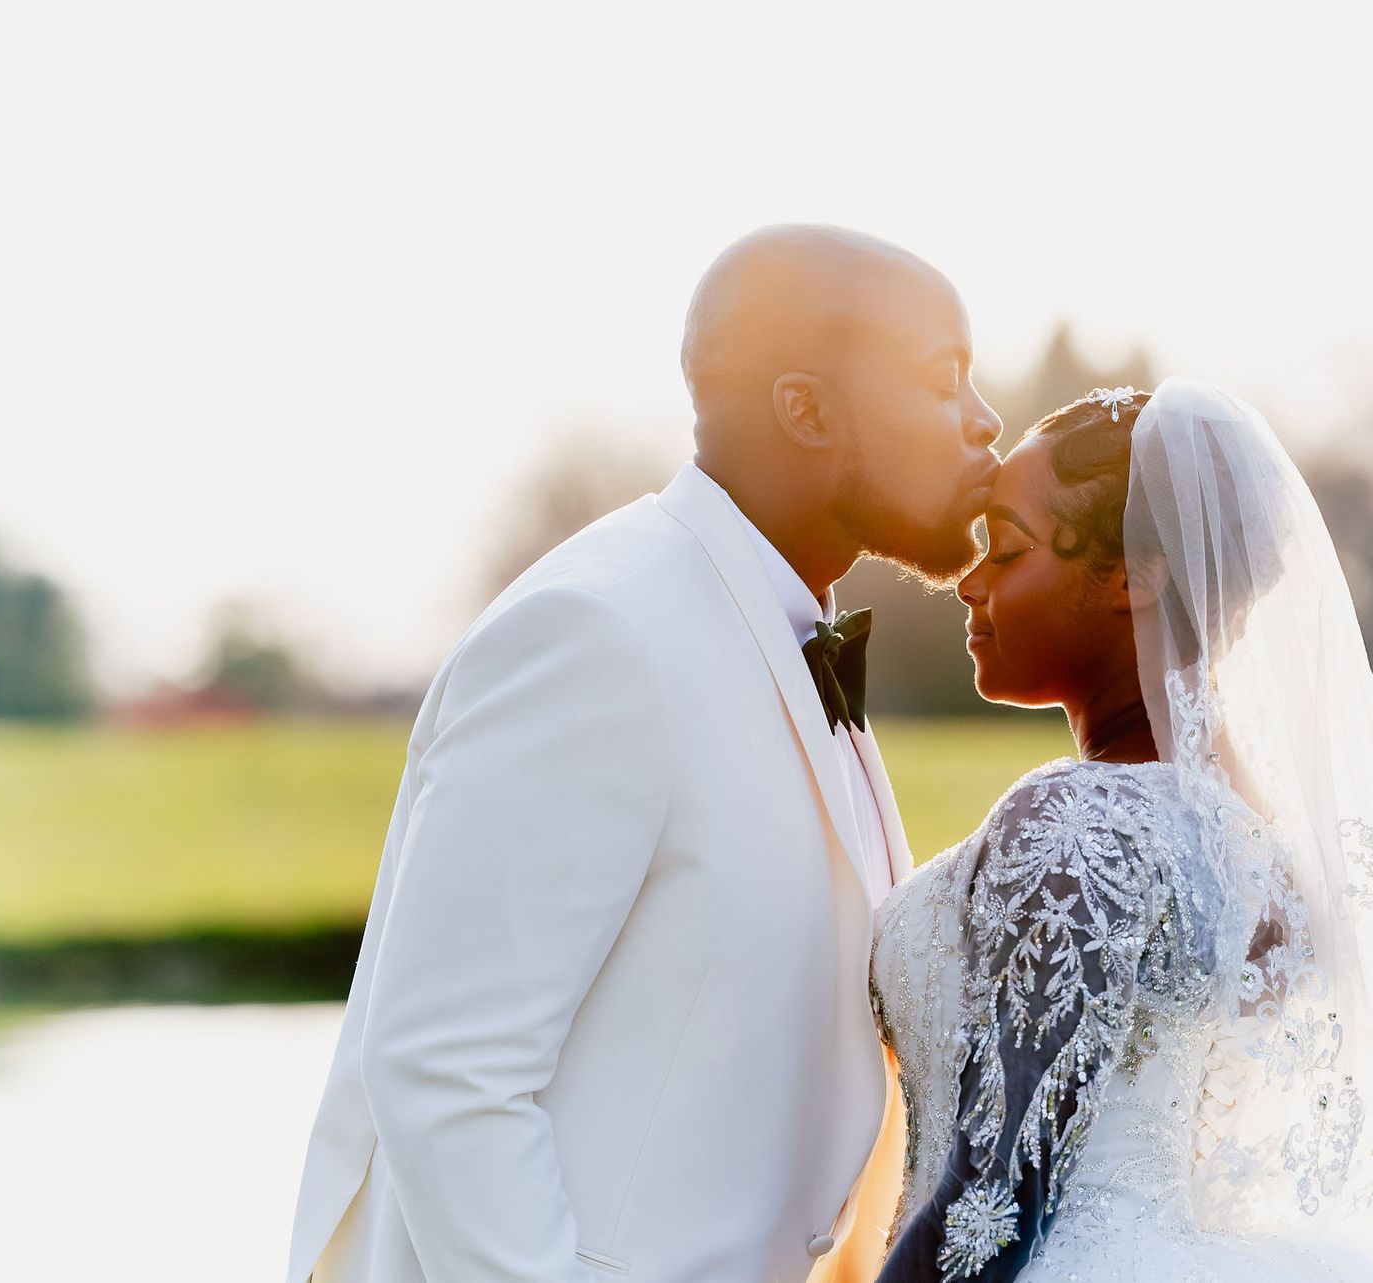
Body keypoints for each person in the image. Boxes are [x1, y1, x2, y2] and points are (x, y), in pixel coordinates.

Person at [284, 224, 1003, 1283]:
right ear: (806, 409)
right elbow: (446, 1067)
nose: (987, 421)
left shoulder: (782, 631)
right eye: (946, 380)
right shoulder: (599, 632)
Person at [869, 379, 1373, 1281]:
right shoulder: (1245, 838)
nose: (971, 581)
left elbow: (989, 1204)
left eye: (1009, 549)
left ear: (1138, 574)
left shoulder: (1080, 824)